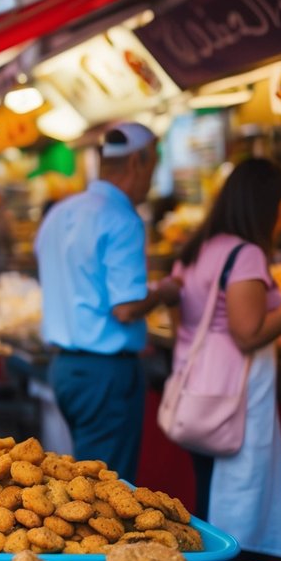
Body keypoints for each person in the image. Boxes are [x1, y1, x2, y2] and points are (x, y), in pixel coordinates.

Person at [169, 159, 281, 560]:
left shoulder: (198, 247)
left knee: (206, 501)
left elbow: (209, 328)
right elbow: (246, 335)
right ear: (264, 203)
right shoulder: (244, 255)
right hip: (231, 402)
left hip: (198, 397)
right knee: (233, 506)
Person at [35, 122, 181, 482]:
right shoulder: (121, 219)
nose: (152, 176)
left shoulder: (59, 213)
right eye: (154, 165)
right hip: (105, 375)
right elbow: (127, 307)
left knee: (86, 483)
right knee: (104, 493)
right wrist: (164, 292)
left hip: (65, 369)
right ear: (138, 163)